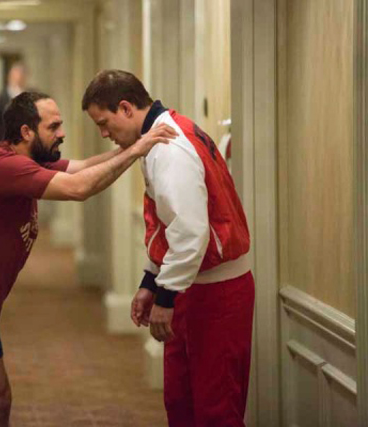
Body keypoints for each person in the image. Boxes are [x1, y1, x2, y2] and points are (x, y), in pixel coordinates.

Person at [0, 91, 177, 427]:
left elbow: (82, 168)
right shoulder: (3, 166)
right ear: (26, 132)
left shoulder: (29, 162)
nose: (62, 133)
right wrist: (138, 149)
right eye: (54, 126)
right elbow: (79, 188)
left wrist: (130, 146)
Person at [82, 70, 254, 427]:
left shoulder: (169, 146)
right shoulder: (160, 136)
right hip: (193, 284)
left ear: (126, 108)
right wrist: (150, 280)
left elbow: (191, 233)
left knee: (214, 409)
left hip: (215, 292)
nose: (103, 133)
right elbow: (167, 226)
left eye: (104, 123)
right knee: (181, 401)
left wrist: (166, 296)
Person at [0, 62, 28, 144]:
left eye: (19, 75)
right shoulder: (0, 97)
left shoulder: (27, 95)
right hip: (5, 140)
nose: (17, 77)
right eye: (14, 74)